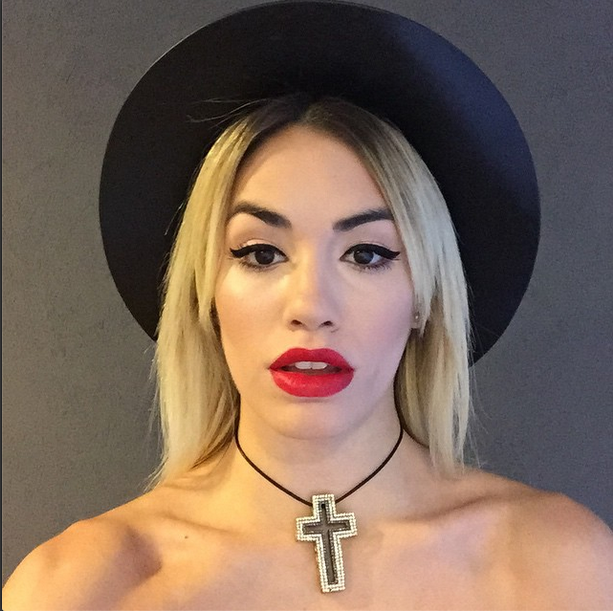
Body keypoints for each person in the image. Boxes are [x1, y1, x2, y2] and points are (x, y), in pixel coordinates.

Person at [3, 3, 612, 609]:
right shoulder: (81, 588)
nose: (311, 306)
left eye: (367, 254)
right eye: (262, 254)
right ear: (204, 293)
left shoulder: (558, 566)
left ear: (425, 296)